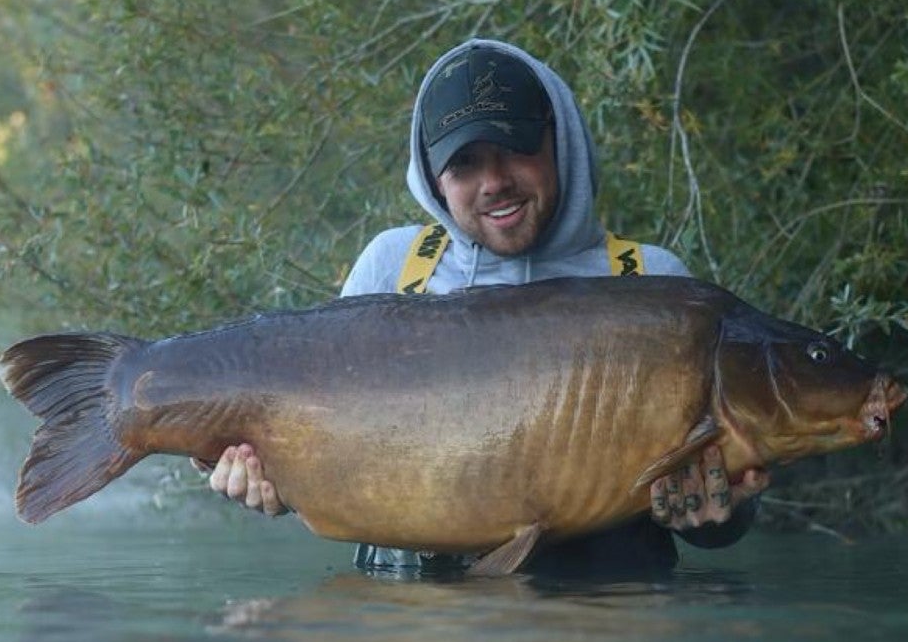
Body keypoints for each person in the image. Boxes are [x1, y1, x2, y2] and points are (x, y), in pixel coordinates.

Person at [208, 39, 766, 575]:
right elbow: (319, 439)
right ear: (434, 179)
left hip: (602, 615)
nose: (494, 181)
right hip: (412, 615)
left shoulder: (652, 283)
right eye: (465, 164)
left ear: (559, 142)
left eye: (515, 148)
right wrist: (273, 482)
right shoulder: (393, 267)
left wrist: (717, 516)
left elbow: (722, 526)